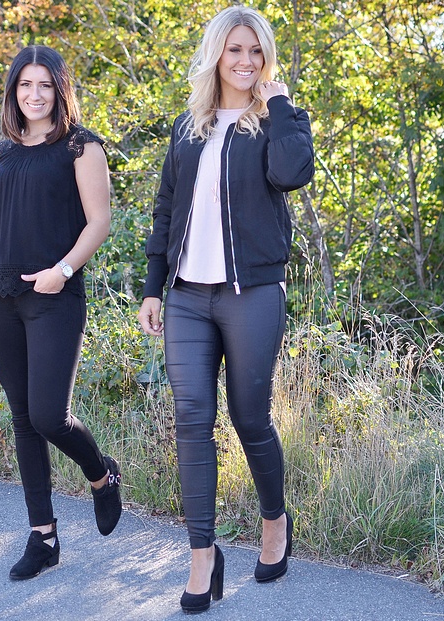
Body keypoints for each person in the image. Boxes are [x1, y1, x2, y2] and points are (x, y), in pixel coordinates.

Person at [137, 5, 314, 614]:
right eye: (235, 49)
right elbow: (166, 209)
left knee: (249, 418)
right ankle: (201, 557)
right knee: (191, 420)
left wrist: (280, 102)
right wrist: (153, 286)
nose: (245, 60)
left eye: (255, 50)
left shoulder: (279, 122)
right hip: (187, 295)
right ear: (217, 54)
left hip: (252, 294)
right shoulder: (189, 128)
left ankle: (274, 523)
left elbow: (291, 174)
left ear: (267, 58)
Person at [0, 45, 121, 581]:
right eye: (25, 85)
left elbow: (99, 222)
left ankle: (102, 476)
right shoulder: (5, 151)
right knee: (22, 419)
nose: (35, 94)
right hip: (0, 298)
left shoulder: (81, 146)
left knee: (49, 416)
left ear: (60, 89)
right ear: (14, 90)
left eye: (45, 85)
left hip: (54, 296)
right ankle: (43, 536)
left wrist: (64, 270)